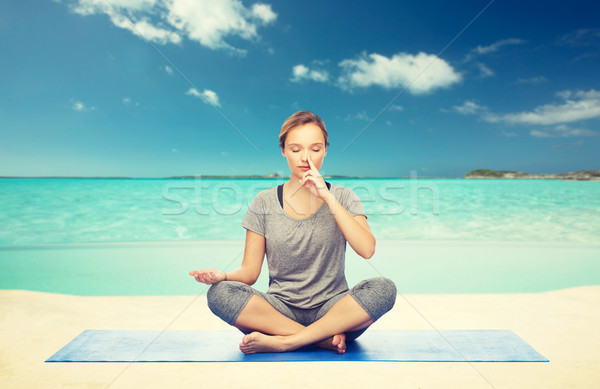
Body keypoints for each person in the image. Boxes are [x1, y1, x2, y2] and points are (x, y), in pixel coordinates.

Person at [189, 111, 396, 354]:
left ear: (326, 150)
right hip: (279, 310)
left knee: (384, 288)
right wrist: (222, 276)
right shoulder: (264, 201)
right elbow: (250, 272)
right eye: (296, 149)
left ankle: (287, 341)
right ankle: (319, 340)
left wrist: (327, 196)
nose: (305, 158)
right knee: (219, 294)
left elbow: (367, 249)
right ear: (283, 151)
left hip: (334, 311)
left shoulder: (343, 196)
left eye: (315, 149)